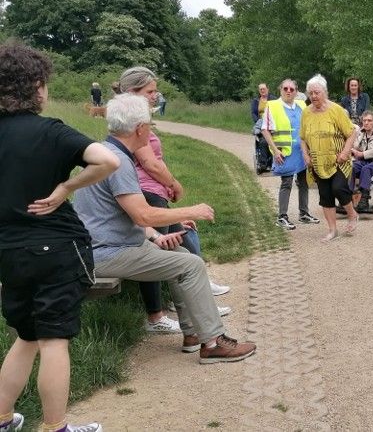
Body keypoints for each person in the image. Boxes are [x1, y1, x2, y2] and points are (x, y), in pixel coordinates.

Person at [73, 93, 257, 363]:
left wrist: (157, 237)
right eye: (149, 123)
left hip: (102, 247)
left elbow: (122, 215)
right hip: (106, 253)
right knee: (192, 265)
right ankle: (214, 342)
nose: (150, 129)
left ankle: (194, 334)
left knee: (181, 255)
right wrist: (193, 210)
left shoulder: (106, 153)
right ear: (139, 129)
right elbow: (143, 214)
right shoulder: (119, 163)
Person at [0, 43, 118, 432]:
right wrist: (66, 188)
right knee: (53, 340)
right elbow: (108, 160)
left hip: (7, 251)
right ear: (36, 86)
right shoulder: (51, 132)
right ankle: (56, 428)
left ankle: (2, 419)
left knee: (26, 335)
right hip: (55, 247)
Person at [118, 67, 231, 337]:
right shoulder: (130, 125)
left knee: (176, 243)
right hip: (147, 193)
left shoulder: (139, 120)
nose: (156, 95)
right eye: (150, 91)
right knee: (160, 252)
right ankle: (160, 316)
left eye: (155, 90)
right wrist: (173, 184)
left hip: (153, 192)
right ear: (132, 93)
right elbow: (149, 162)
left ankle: (192, 315)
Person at [299, 74, 360, 242]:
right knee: (325, 195)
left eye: (316, 92)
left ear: (325, 92)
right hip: (318, 162)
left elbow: (351, 132)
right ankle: (332, 230)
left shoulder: (336, 110)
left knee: (338, 188)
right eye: (310, 93)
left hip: (337, 159)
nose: (313, 96)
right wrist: (305, 154)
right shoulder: (306, 113)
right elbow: (303, 137)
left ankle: (352, 214)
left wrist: (345, 153)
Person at [260, 78, 319, 229]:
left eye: (291, 89)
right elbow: (265, 129)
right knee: (286, 183)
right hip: (285, 152)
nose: (288, 91)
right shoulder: (272, 106)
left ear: (296, 92)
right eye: (285, 88)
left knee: (303, 182)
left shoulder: (301, 105)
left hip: (302, 152)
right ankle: (282, 216)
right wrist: (274, 150)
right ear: (280, 90)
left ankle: (304, 213)